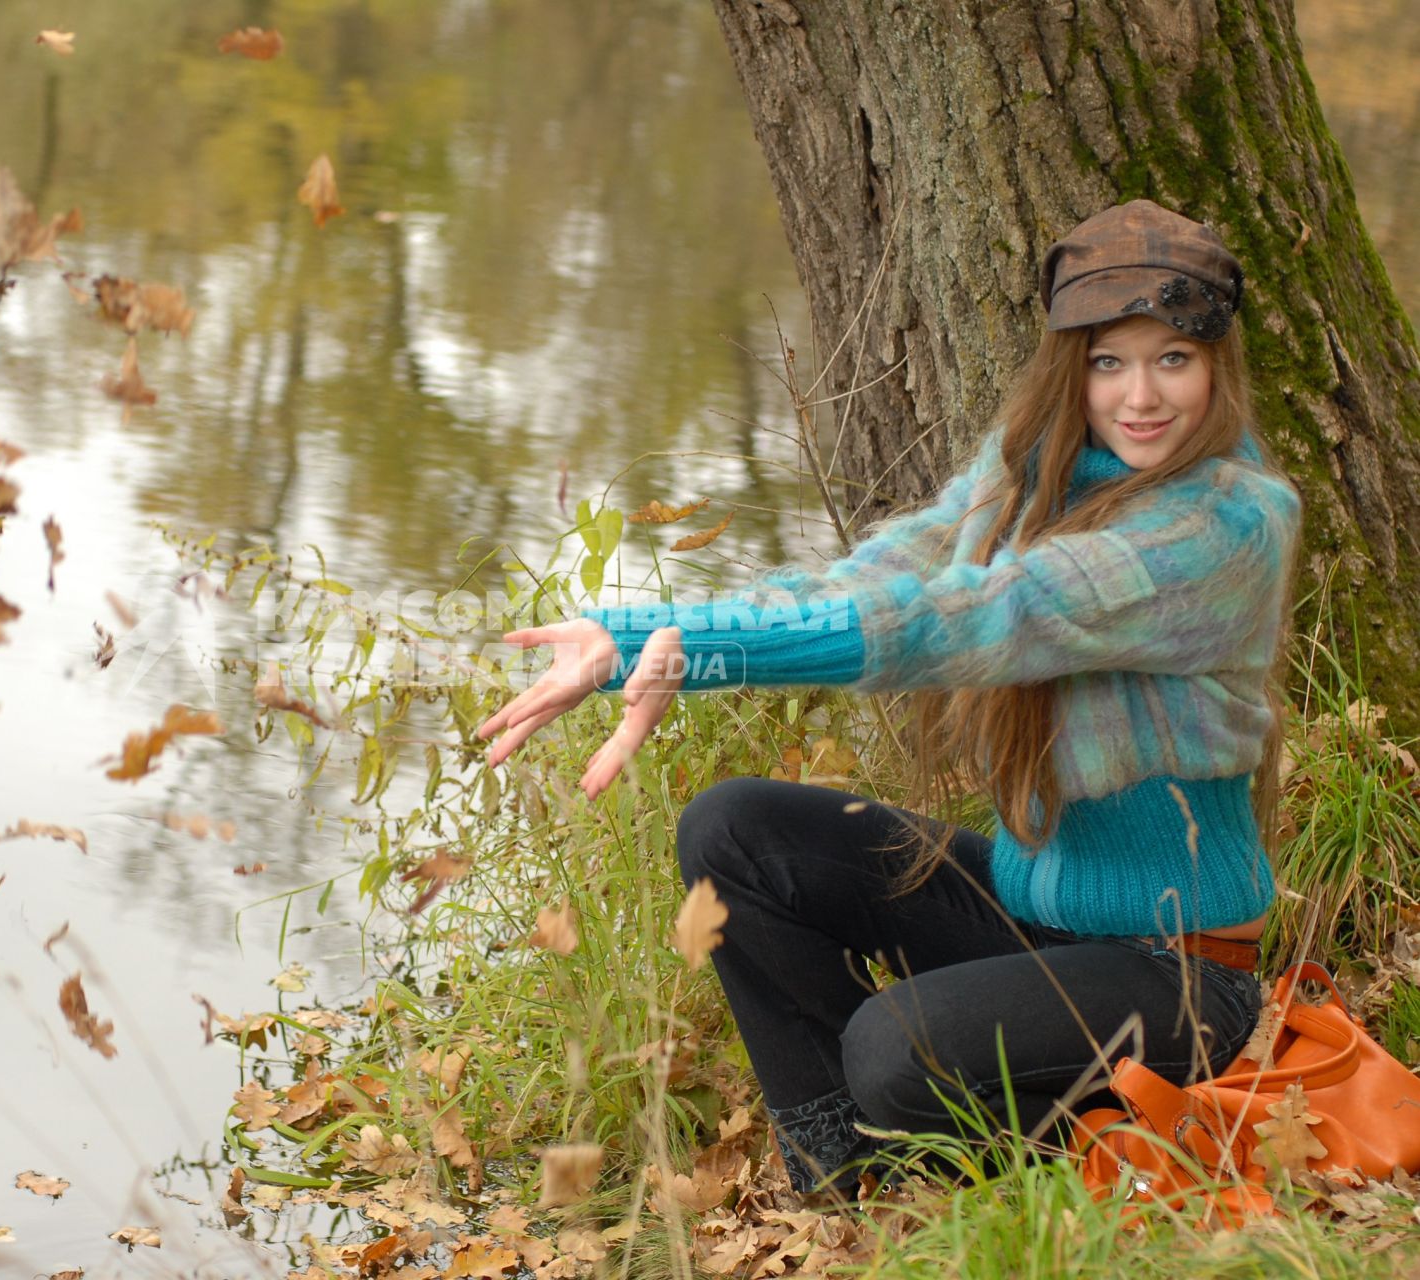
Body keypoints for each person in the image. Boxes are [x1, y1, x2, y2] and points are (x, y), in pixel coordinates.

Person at [474, 200, 1303, 1195]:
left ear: (1218, 367)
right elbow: (874, 583)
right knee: (734, 831)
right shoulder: (1037, 472)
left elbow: (975, 615)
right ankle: (842, 1168)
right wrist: (649, 639)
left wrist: (686, 651)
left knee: (890, 1048)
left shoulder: (1227, 528)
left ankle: (1102, 1139)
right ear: (1069, 366)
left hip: (1180, 974)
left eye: (1173, 357)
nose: (1139, 395)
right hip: (1037, 908)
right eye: (1107, 361)